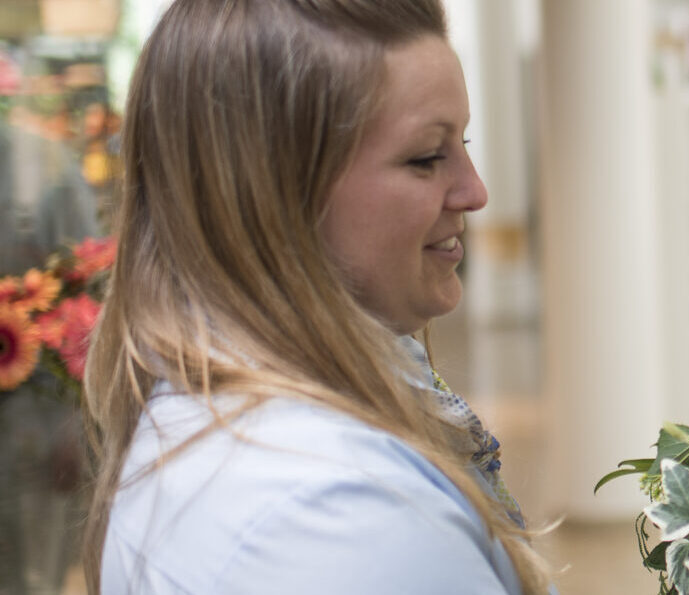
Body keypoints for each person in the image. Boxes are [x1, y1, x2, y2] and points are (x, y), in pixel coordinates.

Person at [81, 1, 548, 592]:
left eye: (464, 142)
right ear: (271, 193)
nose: (474, 191)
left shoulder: (232, 418)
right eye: (426, 157)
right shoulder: (338, 518)